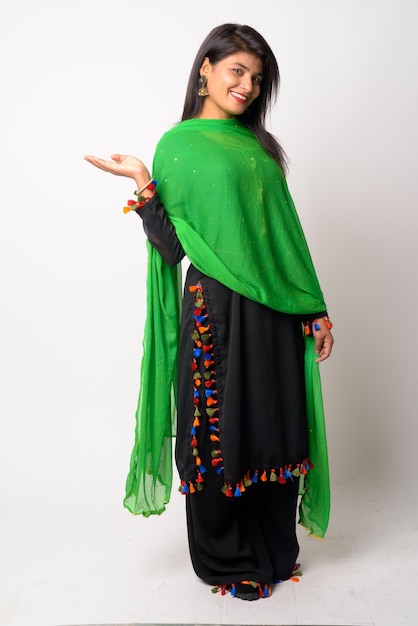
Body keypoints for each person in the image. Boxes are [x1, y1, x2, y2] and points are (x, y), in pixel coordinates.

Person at [84, 23, 334, 601]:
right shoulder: (180, 145)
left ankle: (274, 549)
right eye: (236, 71)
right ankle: (227, 559)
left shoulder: (258, 148)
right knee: (219, 430)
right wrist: (144, 183)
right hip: (216, 314)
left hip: (273, 309)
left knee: (273, 425)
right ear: (206, 69)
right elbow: (174, 248)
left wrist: (315, 308)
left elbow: (285, 237)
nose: (246, 86)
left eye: (256, 77)